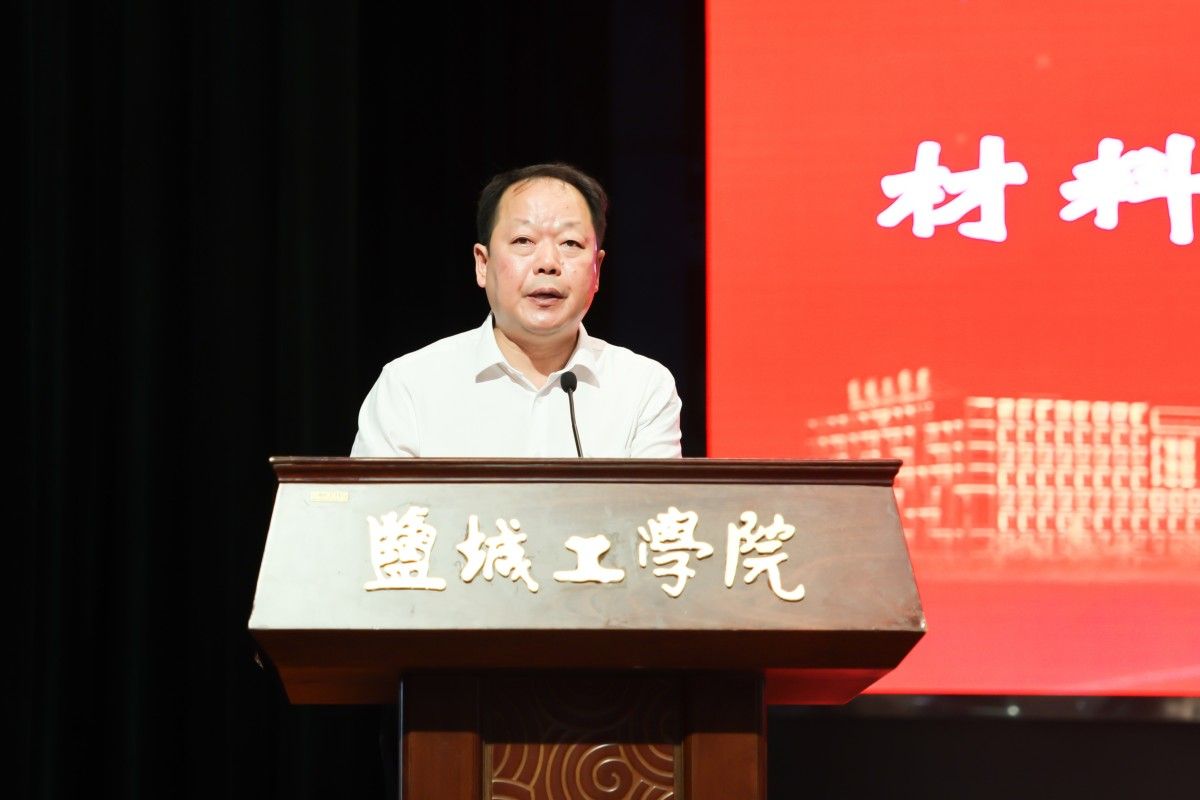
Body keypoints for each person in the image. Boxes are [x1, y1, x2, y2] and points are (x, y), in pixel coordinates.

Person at [350, 163, 682, 458]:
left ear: (597, 270)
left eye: (570, 243)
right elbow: (376, 508)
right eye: (524, 241)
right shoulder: (410, 385)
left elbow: (655, 507)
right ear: (483, 264)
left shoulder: (642, 387)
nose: (548, 263)